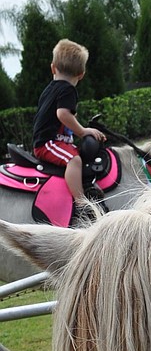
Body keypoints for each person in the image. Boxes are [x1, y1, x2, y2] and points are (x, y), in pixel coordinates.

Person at [32, 39, 107, 223]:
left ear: (53, 68)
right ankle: (82, 203)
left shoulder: (51, 89)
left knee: (74, 154)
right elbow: (63, 114)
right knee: (74, 160)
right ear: (81, 74)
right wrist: (83, 131)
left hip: (54, 140)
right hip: (48, 142)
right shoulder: (67, 89)